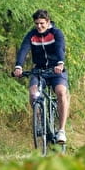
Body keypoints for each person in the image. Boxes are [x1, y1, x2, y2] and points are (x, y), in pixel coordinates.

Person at [13, 9, 69, 144]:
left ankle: (61, 130)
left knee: (61, 92)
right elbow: (24, 49)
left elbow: (60, 48)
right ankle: (40, 122)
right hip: (39, 70)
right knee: (33, 94)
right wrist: (18, 66)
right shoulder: (32, 35)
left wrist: (60, 63)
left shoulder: (56, 33)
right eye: (37, 23)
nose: (39, 26)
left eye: (42, 23)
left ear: (48, 22)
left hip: (56, 70)